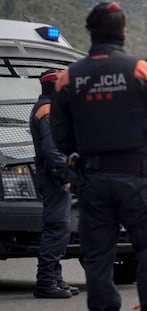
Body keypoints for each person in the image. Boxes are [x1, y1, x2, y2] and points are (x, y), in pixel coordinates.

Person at [49, 2, 147, 310]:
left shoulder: (69, 78)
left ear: (90, 32)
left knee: (98, 256)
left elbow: (61, 136)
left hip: (93, 180)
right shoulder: (140, 70)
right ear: (123, 31)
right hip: (136, 178)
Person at [30, 69, 80, 298]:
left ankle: (55, 279)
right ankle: (46, 282)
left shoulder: (48, 107)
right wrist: (66, 176)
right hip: (54, 178)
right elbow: (53, 150)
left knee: (59, 228)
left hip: (52, 176)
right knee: (56, 229)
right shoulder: (48, 110)